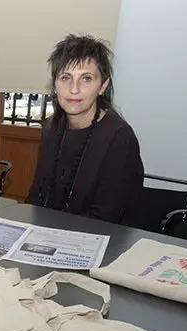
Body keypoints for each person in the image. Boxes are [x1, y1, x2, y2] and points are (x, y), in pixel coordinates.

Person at [26, 34, 144, 225]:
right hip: (50, 235)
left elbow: (105, 218)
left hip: (103, 240)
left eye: (86, 79)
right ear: (55, 85)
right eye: (65, 78)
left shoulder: (118, 137)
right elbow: (36, 196)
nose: (74, 89)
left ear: (102, 86)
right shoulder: (51, 128)